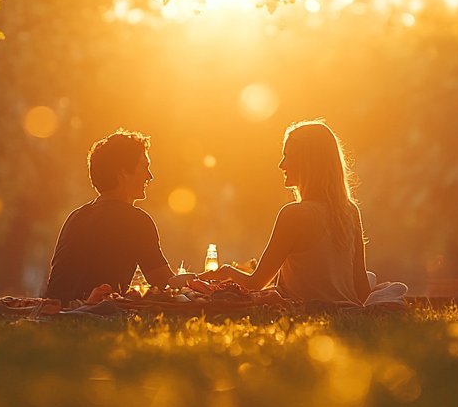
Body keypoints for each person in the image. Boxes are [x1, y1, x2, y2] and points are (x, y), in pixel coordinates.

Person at [200, 120, 371, 304]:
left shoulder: (294, 214)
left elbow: (255, 283)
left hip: (308, 315)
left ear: (306, 162)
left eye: (288, 156)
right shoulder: (349, 210)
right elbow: (361, 286)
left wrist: (227, 272)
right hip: (347, 311)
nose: (281, 165)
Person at [43, 129, 192, 302]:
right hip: (94, 315)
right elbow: (165, 283)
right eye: (144, 167)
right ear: (123, 172)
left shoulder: (76, 217)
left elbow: (58, 289)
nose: (149, 176)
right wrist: (205, 281)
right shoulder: (135, 220)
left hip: (58, 312)